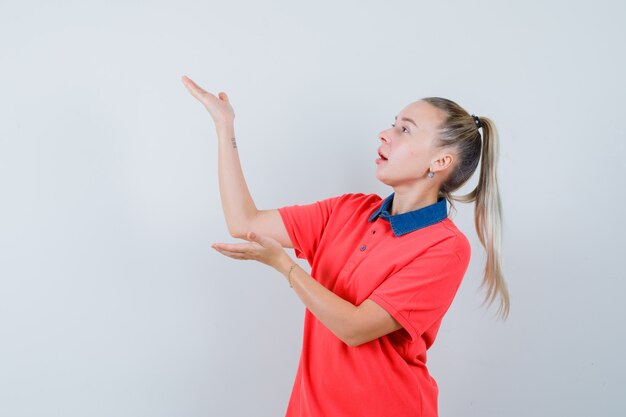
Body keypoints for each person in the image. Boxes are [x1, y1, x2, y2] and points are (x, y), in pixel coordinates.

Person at [181, 75, 510, 417]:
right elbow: (245, 223)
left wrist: (286, 266)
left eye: (405, 130)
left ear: (440, 162)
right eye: (392, 124)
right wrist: (225, 127)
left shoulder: (445, 247)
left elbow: (356, 329)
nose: (385, 134)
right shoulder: (348, 209)